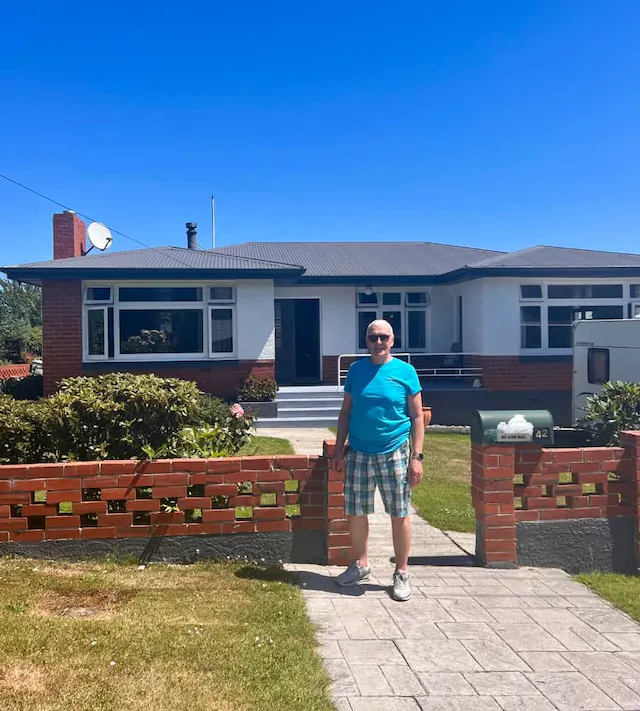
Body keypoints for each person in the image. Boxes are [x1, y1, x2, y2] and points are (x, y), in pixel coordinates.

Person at [331, 319, 424, 601]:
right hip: (359, 452)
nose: (378, 343)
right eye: (373, 338)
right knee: (356, 511)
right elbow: (346, 411)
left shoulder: (405, 372)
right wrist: (338, 449)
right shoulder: (356, 371)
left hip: (395, 451)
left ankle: (402, 572)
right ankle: (361, 564)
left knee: (399, 512)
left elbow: (418, 417)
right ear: (366, 341)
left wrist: (416, 457)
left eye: (384, 337)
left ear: (392, 340)